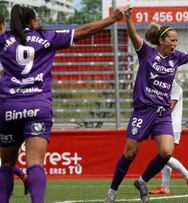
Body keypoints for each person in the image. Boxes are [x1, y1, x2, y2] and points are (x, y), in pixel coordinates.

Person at [0, 4, 129, 203]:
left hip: (8, 107)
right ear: (33, 22)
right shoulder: (46, 37)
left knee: (7, 164)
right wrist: (113, 18)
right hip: (37, 105)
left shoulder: (4, 40)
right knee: (35, 162)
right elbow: (82, 32)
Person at [105, 6, 188, 202]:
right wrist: (128, 18)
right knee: (129, 152)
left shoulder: (176, 58)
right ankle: (112, 191)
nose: (175, 44)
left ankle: (142, 181)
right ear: (162, 40)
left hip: (162, 113)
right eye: (172, 40)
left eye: (176, 41)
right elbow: (133, 35)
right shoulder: (146, 52)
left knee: (166, 151)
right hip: (143, 111)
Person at [148, 80, 188, 195]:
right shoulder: (162, 88)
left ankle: (187, 175)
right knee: (163, 156)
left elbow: (169, 108)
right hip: (162, 125)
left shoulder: (175, 88)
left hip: (170, 125)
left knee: (164, 155)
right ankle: (165, 187)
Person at [0, 11, 29, 196]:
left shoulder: (5, 46)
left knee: (6, 158)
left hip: (6, 104)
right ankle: (21, 176)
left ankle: (16, 178)